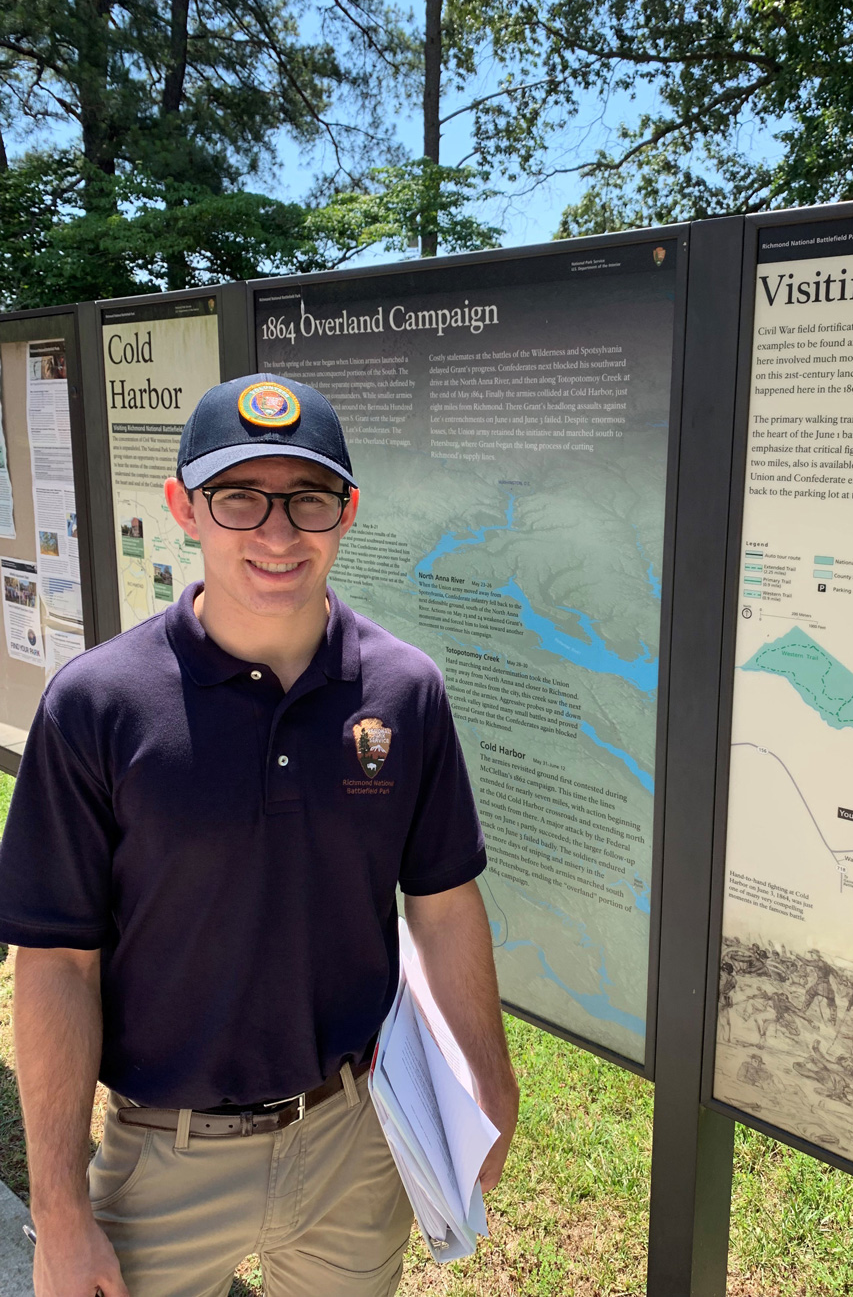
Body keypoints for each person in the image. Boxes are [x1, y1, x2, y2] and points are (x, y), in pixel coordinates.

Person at [0, 374, 520, 1297]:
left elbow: (441, 902)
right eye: (239, 497)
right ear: (182, 507)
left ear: (346, 511)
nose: (277, 534)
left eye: (307, 499)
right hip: (165, 1158)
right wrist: (62, 1210)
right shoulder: (97, 706)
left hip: (356, 1140)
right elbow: (56, 964)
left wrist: (492, 1078)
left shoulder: (404, 691)